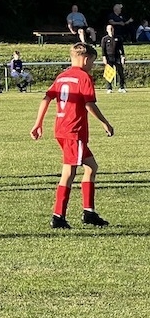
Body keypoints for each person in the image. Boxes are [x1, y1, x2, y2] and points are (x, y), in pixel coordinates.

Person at [31, 42, 114, 229]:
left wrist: (38, 123)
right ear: (85, 59)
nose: (92, 65)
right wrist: (105, 123)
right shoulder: (84, 77)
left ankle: (89, 212)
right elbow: (89, 104)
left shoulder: (62, 76)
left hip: (61, 129)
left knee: (91, 167)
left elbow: (46, 98)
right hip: (73, 131)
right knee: (69, 172)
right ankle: (58, 216)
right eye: (92, 62)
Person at [100, 23, 126, 93]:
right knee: (109, 73)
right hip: (109, 57)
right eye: (109, 29)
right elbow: (103, 49)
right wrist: (104, 57)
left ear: (113, 29)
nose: (110, 30)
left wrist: (123, 56)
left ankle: (121, 87)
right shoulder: (104, 39)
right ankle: (109, 88)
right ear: (107, 30)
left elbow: (121, 48)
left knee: (120, 72)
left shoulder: (118, 38)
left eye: (111, 29)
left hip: (117, 57)